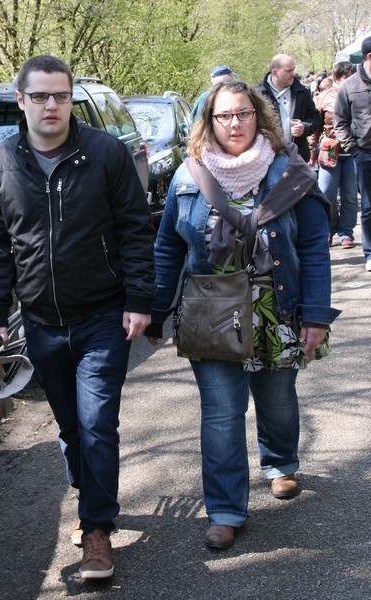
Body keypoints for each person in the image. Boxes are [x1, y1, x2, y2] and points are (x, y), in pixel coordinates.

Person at [0, 55, 155, 579]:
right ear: (21, 100)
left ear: (71, 97)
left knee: (97, 423)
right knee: (71, 427)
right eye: (40, 96)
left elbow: (135, 228)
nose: (51, 105)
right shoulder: (0, 163)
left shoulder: (105, 153)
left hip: (103, 315)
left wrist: (139, 299)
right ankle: (88, 497)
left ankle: (97, 529)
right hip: (41, 322)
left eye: (60, 95)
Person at [146, 80, 340, 550]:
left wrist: (316, 315)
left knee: (277, 400)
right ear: (209, 121)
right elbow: (168, 247)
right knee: (221, 413)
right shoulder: (188, 176)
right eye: (224, 115)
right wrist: (155, 310)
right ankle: (225, 510)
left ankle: (279, 462)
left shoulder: (289, 172)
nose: (234, 123)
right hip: (210, 312)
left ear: (259, 117)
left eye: (244, 113)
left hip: (278, 309)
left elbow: (314, 247)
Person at [309, 61, 357, 248]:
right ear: (336, 78)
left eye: (352, 77)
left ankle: (346, 232)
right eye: (346, 77)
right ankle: (328, 228)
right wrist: (312, 149)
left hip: (353, 151)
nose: (349, 81)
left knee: (350, 195)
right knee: (326, 191)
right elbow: (316, 126)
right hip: (330, 150)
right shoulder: (325, 97)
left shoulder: (360, 93)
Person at [334, 36, 371, 272]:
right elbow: (340, 122)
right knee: (368, 207)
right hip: (364, 154)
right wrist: (354, 150)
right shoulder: (349, 86)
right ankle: (370, 253)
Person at [257, 54, 320, 162]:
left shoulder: (302, 92)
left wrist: (304, 127)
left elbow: (315, 118)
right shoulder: (258, 94)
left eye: (293, 70)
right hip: (267, 159)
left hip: (297, 157)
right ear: (275, 72)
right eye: (289, 71)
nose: (293, 74)